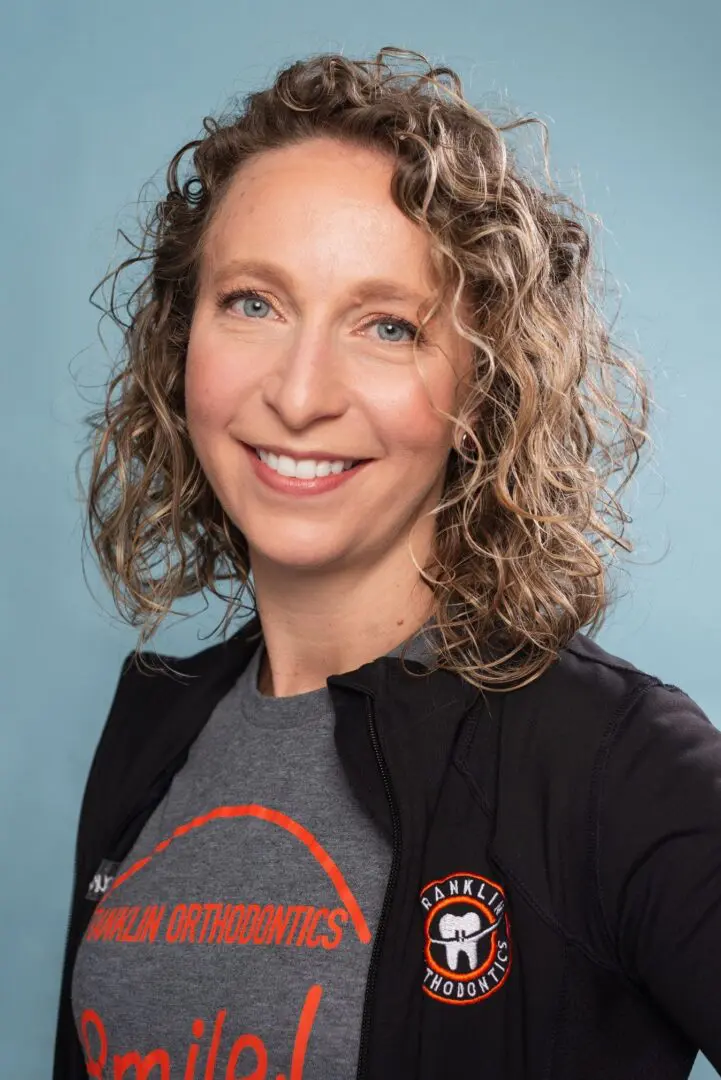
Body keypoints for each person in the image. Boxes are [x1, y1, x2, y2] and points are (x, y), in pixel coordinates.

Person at [53, 46, 721, 1080]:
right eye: (253, 303)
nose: (302, 391)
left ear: (480, 387)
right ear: (179, 339)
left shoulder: (610, 757)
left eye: (387, 325)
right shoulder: (156, 721)